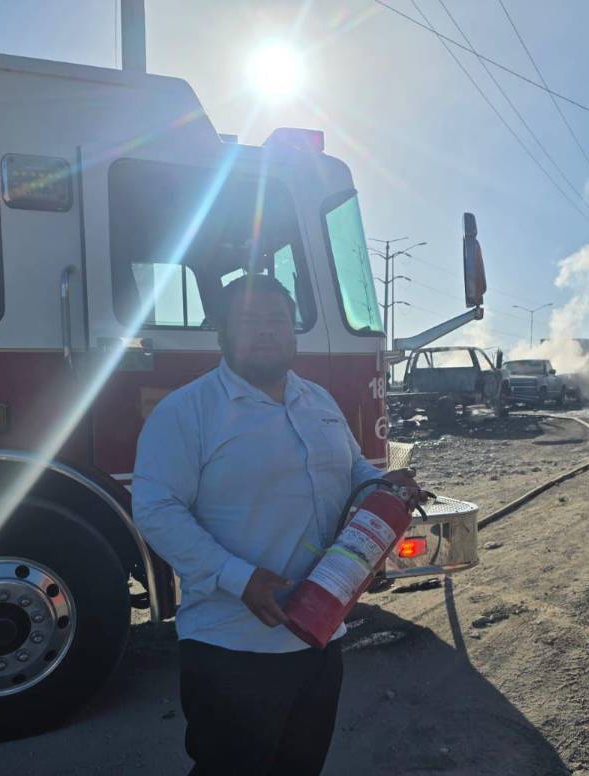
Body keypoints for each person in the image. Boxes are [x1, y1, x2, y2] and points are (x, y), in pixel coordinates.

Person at [133, 274, 421, 776]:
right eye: (249, 320)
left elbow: (354, 471)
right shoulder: (187, 411)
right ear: (222, 332)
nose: (265, 331)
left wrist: (386, 484)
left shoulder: (319, 401)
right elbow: (157, 510)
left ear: (293, 333)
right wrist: (239, 578)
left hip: (319, 636)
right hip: (232, 648)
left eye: (277, 321)